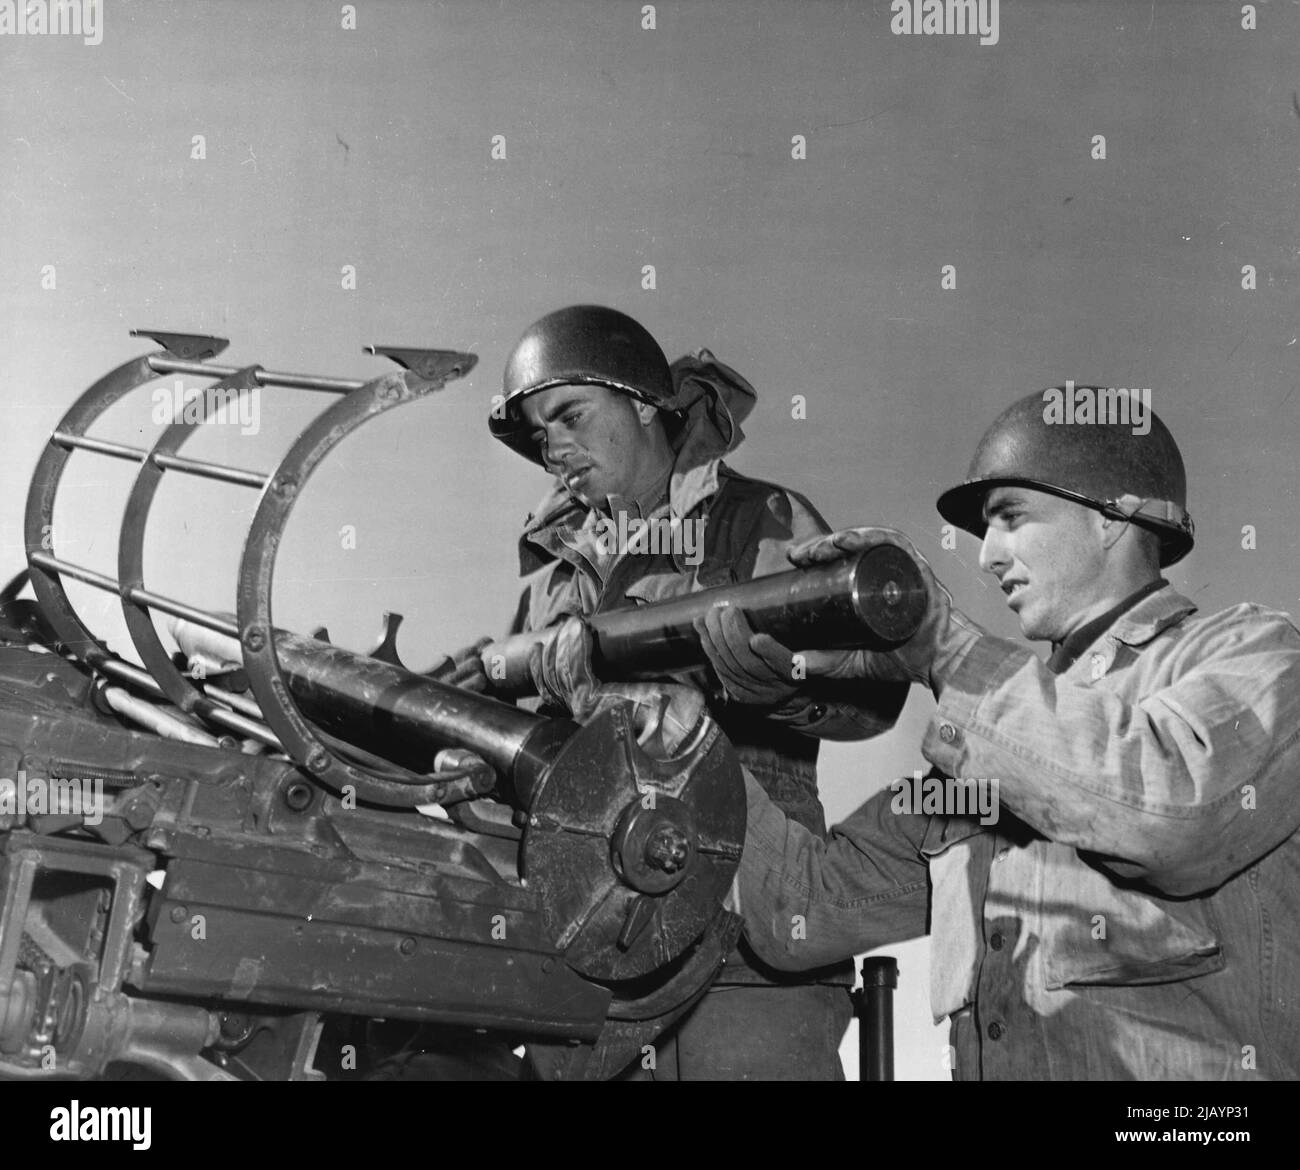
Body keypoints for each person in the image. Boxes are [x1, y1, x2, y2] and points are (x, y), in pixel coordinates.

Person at [692, 389, 1300, 1079]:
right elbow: (801, 910)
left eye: (1011, 518)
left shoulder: (1255, 656)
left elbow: (1171, 815)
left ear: (1112, 518)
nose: (987, 556)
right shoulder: (979, 763)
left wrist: (944, 651)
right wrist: (681, 733)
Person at [446, 303, 907, 1080]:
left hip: (748, 936)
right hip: (598, 942)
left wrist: (766, 685)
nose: (553, 447)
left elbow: (874, 690)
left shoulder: (753, 521)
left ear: (644, 404)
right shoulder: (557, 580)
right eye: (538, 432)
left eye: (570, 415)